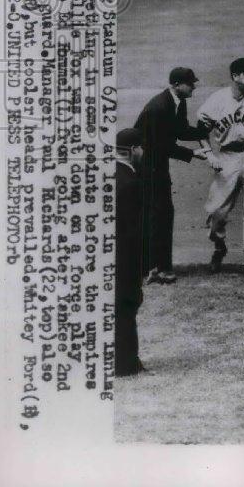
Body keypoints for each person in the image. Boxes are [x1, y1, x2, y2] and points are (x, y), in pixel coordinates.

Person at [194, 58, 244, 275]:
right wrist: (209, 153)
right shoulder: (217, 99)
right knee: (216, 211)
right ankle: (219, 247)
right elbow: (200, 128)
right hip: (227, 157)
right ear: (234, 76)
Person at [133, 67, 209, 284]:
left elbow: (180, 129)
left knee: (159, 214)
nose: (194, 86)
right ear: (177, 85)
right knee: (159, 214)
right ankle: (158, 269)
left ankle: (150, 267)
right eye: (190, 83)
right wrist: (192, 153)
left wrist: (203, 131)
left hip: (155, 164)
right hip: (145, 167)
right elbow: (160, 145)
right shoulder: (159, 107)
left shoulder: (177, 101)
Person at [115, 127, 145, 376]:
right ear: (133, 149)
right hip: (124, 258)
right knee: (127, 304)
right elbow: (133, 231)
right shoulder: (130, 181)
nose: (142, 153)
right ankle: (126, 363)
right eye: (141, 148)